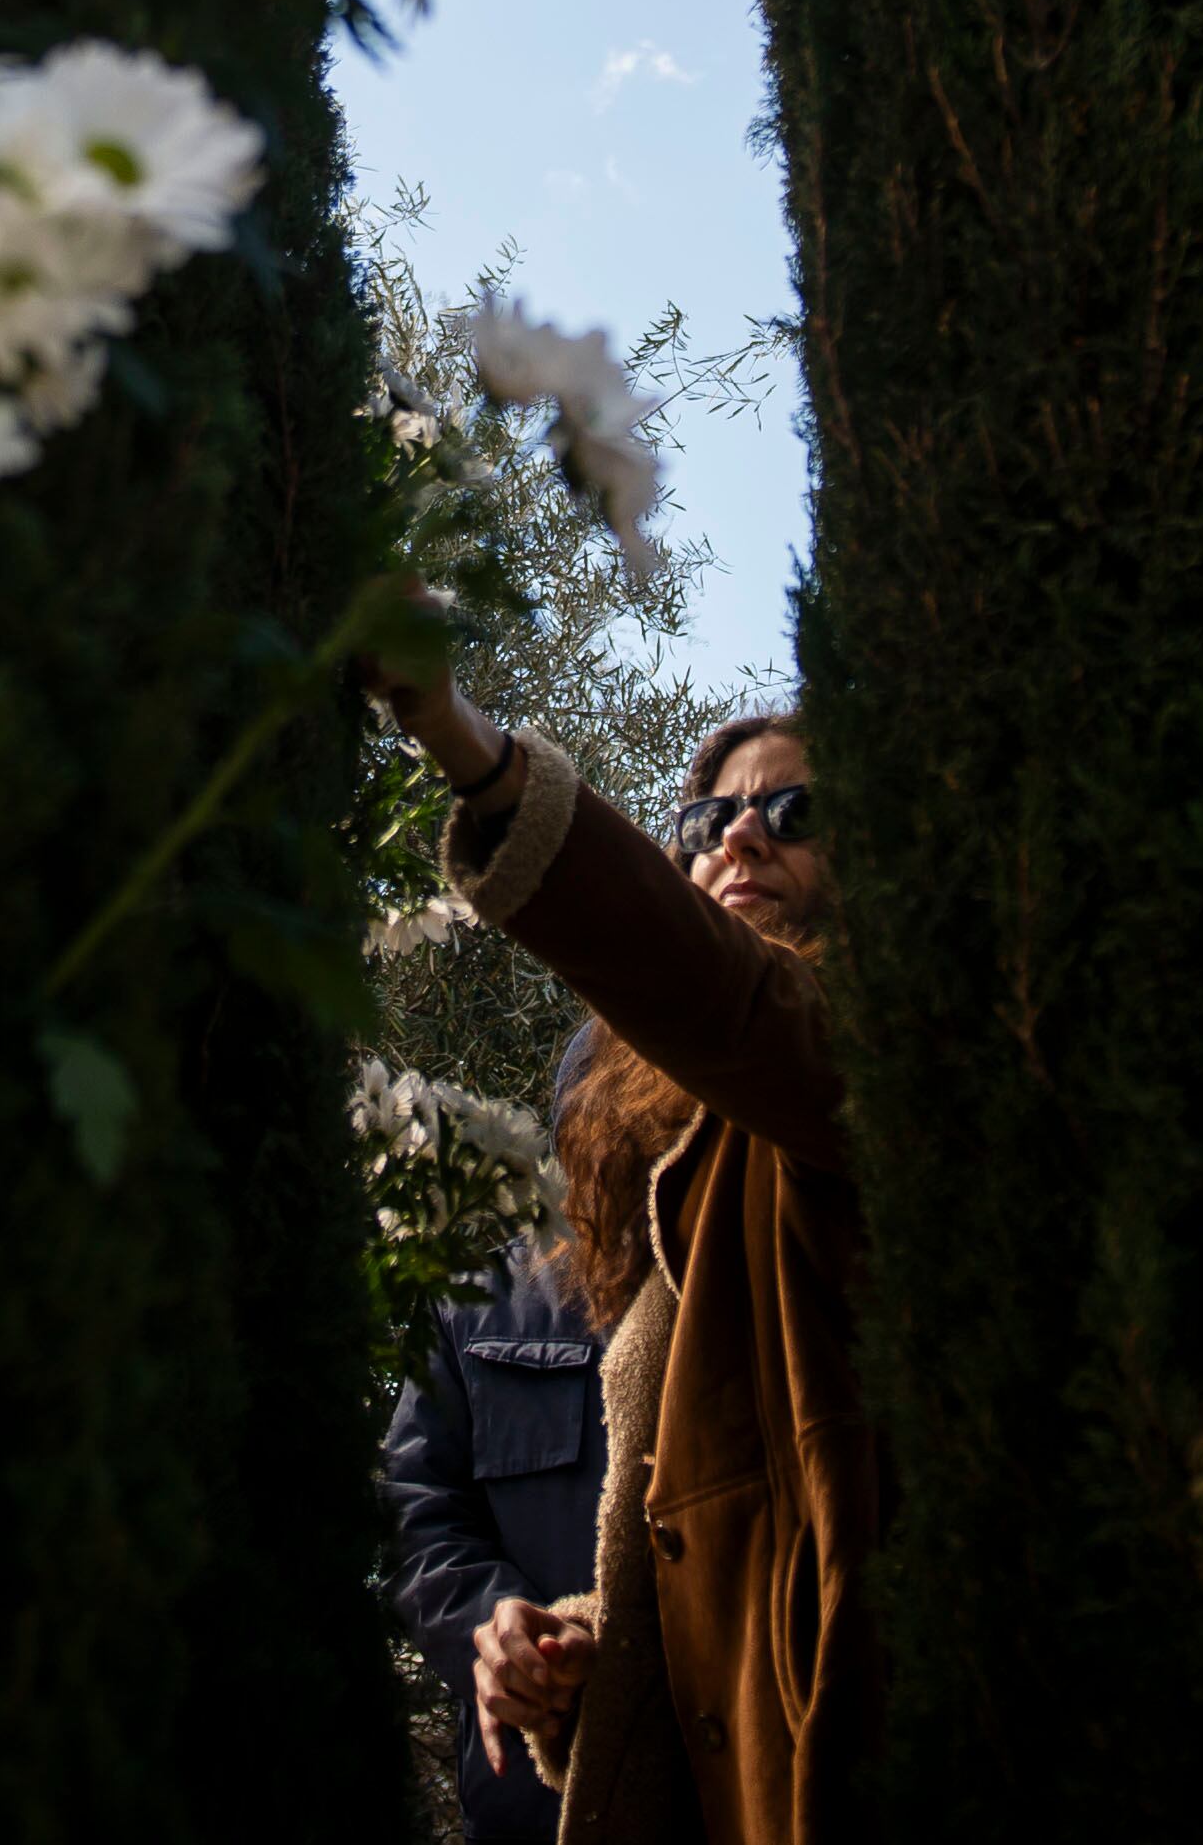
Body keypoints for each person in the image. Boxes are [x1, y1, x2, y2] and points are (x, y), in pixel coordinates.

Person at [360, 671, 874, 1845]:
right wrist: (563, 1633)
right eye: (705, 824)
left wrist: (465, 743)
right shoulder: (608, 1208)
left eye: (795, 813)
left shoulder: (863, 1069)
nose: (741, 832)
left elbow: (724, 996)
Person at [382, 1031, 611, 1841]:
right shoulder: (474, 1302)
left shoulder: (764, 1280)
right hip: (534, 1799)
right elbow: (416, 1512)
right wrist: (496, 1624)